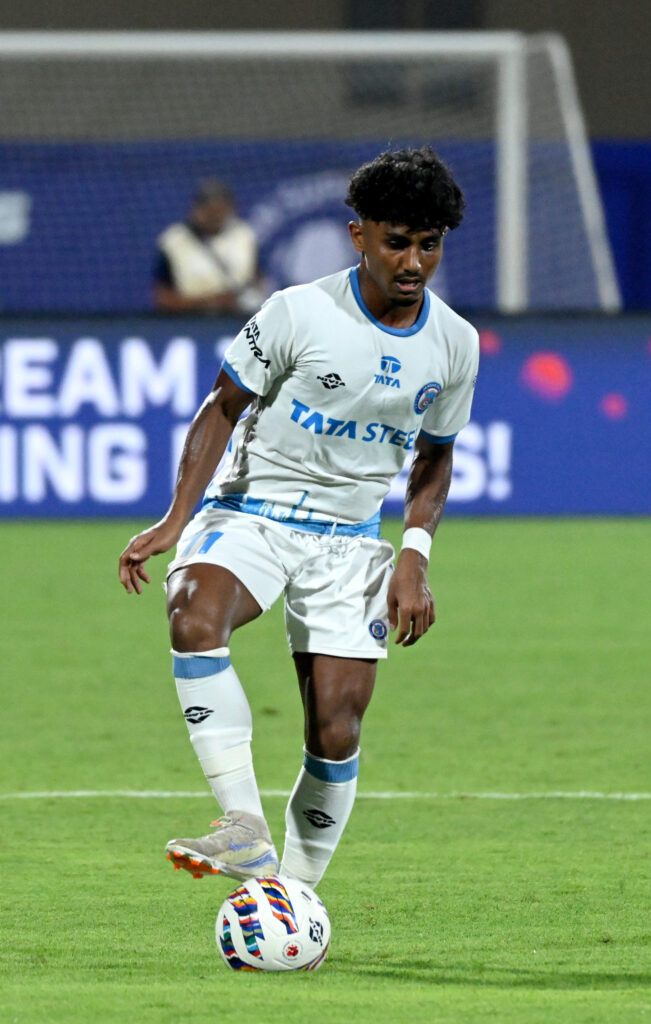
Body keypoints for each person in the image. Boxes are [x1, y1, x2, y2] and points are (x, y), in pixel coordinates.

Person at [120, 147, 478, 889]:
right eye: (397, 240)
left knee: (335, 730)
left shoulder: (455, 343)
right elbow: (222, 407)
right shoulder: (298, 311)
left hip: (350, 541)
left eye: (429, 243)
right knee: (193, 614)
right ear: (358, 236)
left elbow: (433, 459)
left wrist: (414, 556)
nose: (413, 260)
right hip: (253, 510)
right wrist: (176, 518)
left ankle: (293, 899)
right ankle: (244, 827)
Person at [153, 178, 266, 315]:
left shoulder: (244, 236)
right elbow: (162, 297)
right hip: (188, 321)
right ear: (197, 209)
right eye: (209, 209)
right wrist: (209, 303)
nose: (215, 215)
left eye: (220, 209)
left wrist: (246, 299)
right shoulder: (174, 241)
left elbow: (259, 281)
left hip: (239, 320)